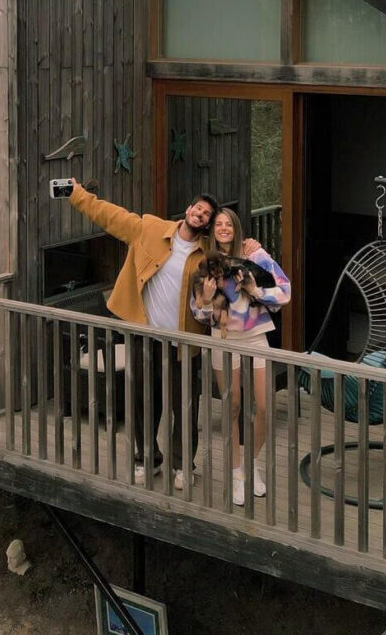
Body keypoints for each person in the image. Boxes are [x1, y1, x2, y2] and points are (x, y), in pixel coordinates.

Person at [68, 180, 258, 490]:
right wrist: (77, 194)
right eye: (199, 209)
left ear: (208, 223)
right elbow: (108, 215)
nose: (202, 215)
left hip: (184, 343)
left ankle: (183, 464)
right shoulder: (149, 229)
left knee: (184, 406)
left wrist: (254, 246)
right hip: (146, 336)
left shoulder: (208, 253)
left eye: (207, 214)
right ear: (188, 210)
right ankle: (148, 458)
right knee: (144, 399)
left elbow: (233, 247)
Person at [190, 207, 290, 506]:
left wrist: (254, 289)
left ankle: (251, 464)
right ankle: (236, 474)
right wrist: (207, 302)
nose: (223, 229)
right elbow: (198, 312)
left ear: (235, 228)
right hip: (223, 339)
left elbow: (285, 291)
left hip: (256, 335)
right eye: (217, 224)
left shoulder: (255, 255)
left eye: (227, 224)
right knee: (231, 407)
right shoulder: (205, 262)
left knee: (264, 406)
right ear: (212, 230)